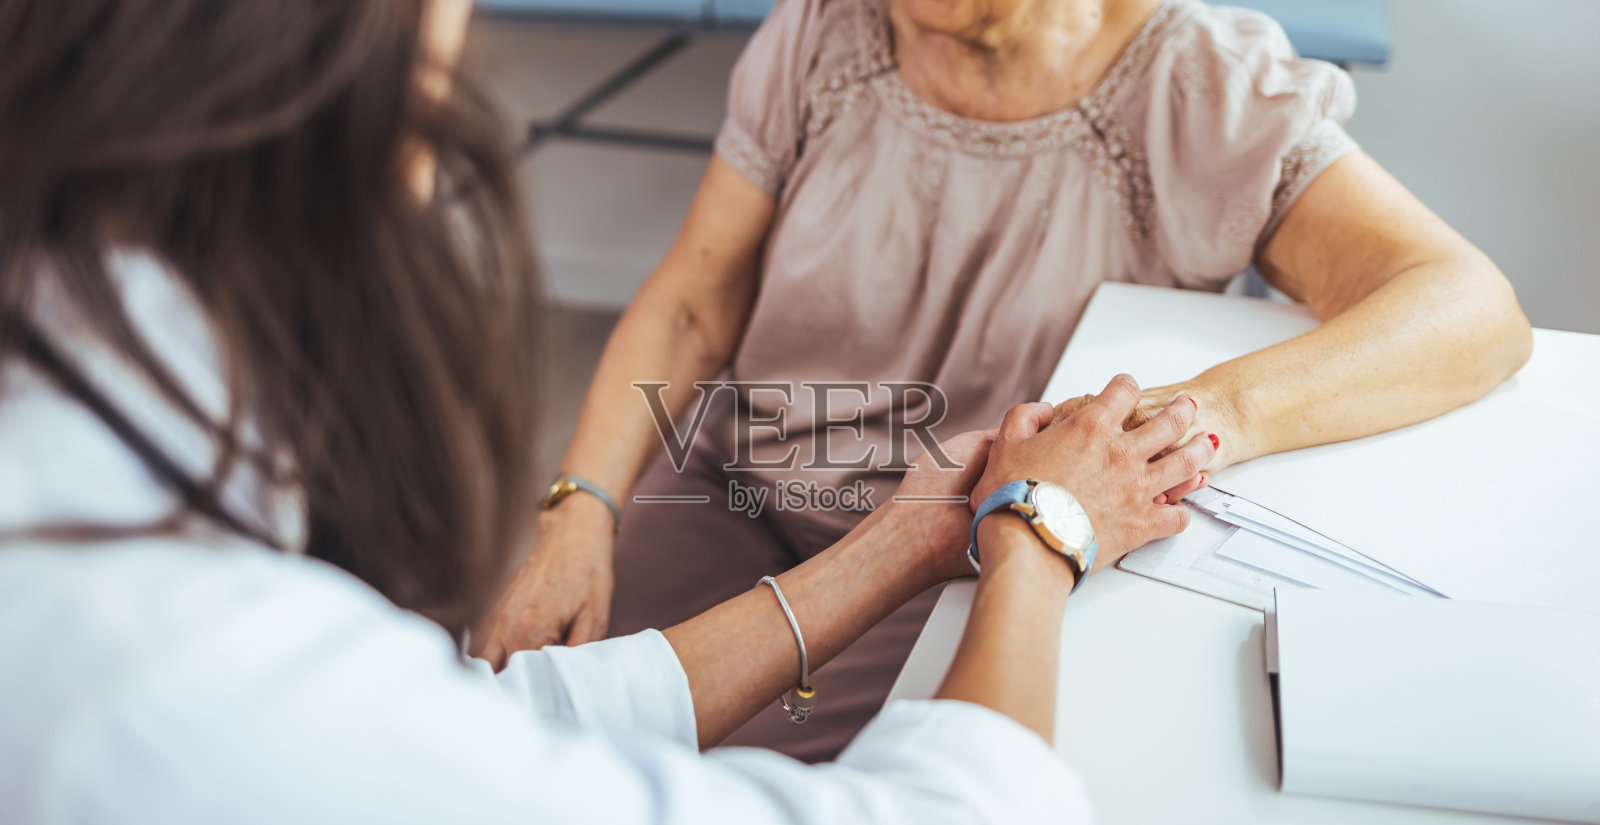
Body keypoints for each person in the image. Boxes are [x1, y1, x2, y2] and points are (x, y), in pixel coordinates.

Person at [0, 1, 1218, 825]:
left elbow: (483, 717)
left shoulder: (1199, 82)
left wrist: (899, 543)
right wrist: (1039, 536)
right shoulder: (195, 684)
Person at [478, 0, 1534, 761]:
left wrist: (1194, 419)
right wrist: (577, 513)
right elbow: (689, 304)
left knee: (712, 790)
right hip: (735, 484)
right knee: (511, 719)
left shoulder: (1197, 85)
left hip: (956, 553)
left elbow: (1467, 305)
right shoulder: (819, 33)